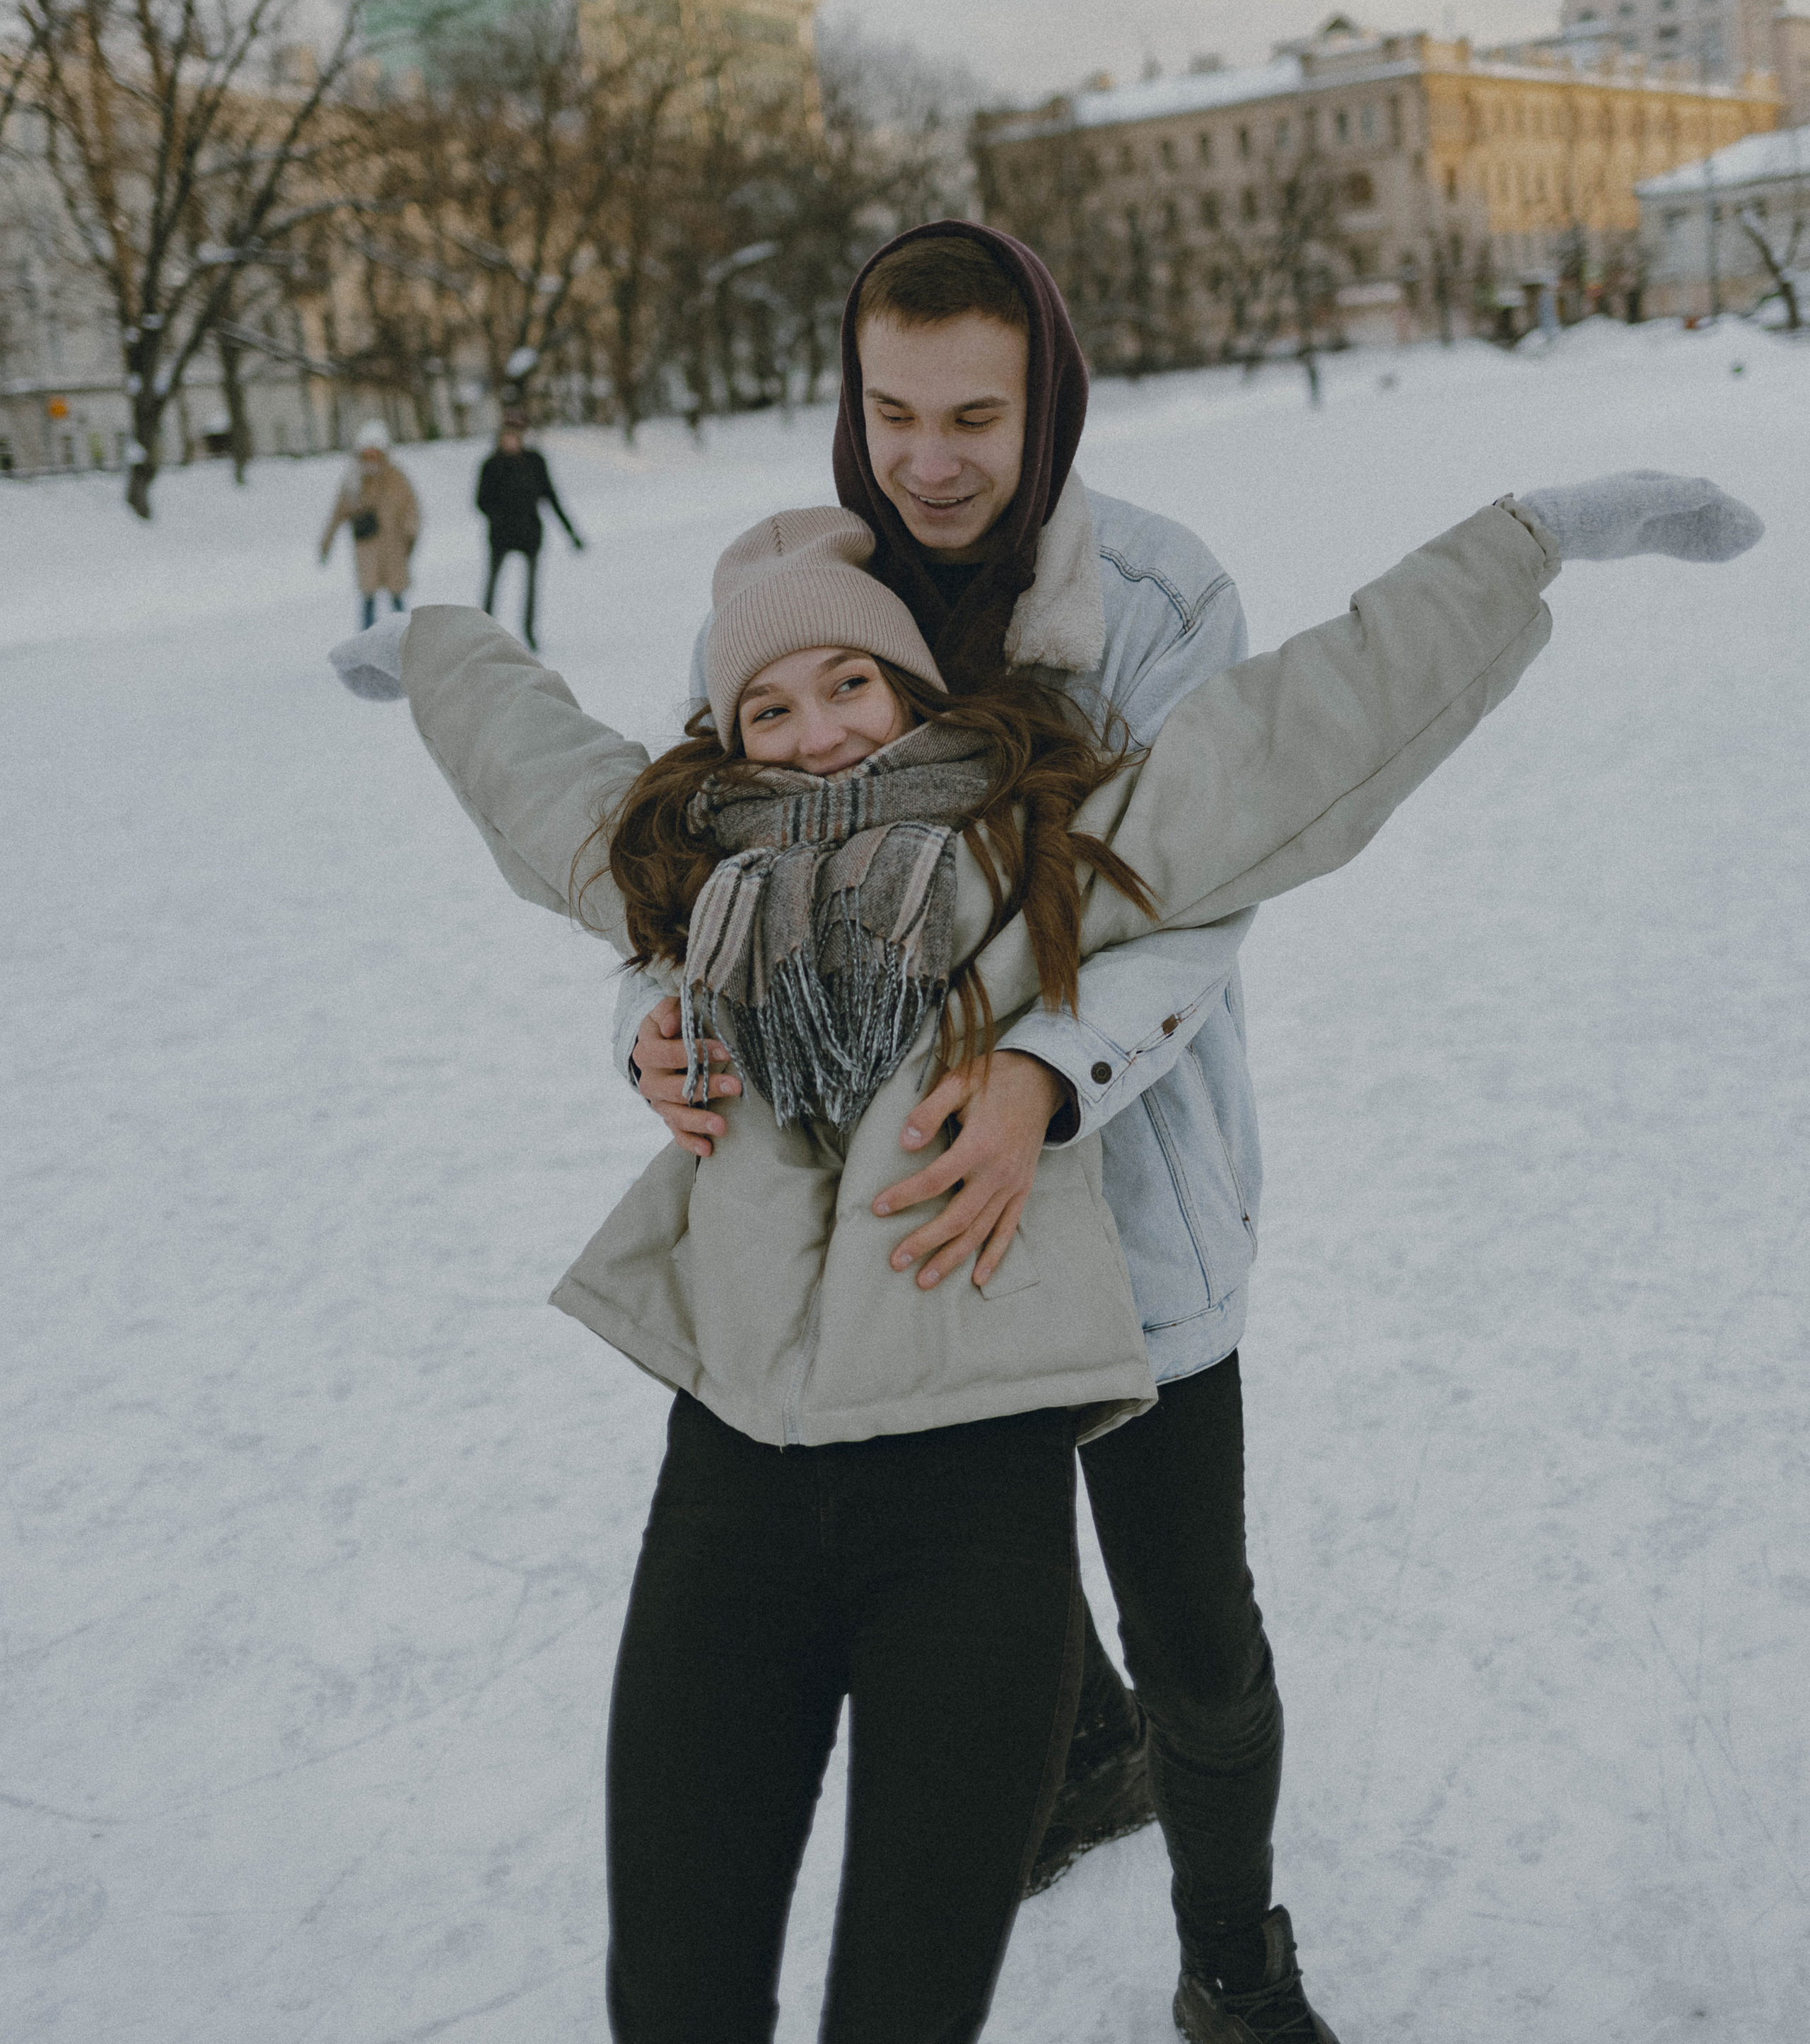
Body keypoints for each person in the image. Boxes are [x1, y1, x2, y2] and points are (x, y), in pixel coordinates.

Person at [331, 469, 1756, 2044]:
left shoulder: (1038, 856)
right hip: (736, 1462)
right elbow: (540, 770)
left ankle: (1229, 1958)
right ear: (722, 739)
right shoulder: (691, 885)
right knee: (672, 1996)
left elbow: (1306, 729)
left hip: (966, 1480)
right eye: (770, 708)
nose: (816, 735)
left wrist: (1535, 538)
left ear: (916, 686)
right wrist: (442, 652)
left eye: (851, 682)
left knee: (958, 1934)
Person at [476, 411, 583, 650]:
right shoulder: (491, 465)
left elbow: (551, 497)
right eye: (507, 437)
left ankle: (529, 632)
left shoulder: (534, 462)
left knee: (531, 589)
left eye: (515, 437)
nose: (511, 441)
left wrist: (571, 532)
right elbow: (481, 501)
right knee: (493, 586)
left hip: (530, 534)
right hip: (501, 536)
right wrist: (500, 516)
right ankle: (485, 634)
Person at [319, 421, 419, 629]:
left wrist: (411, 532)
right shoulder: (353, 481)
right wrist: (325, 544)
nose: (371, 458)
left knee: (397, 598)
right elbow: (337, 514)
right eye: (367, 454)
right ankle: (367, 643)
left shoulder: (396, 477)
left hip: (393, 549)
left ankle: (405, 640)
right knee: (368, 600)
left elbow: (412, 507)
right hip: (367, 550)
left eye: (375, 453)